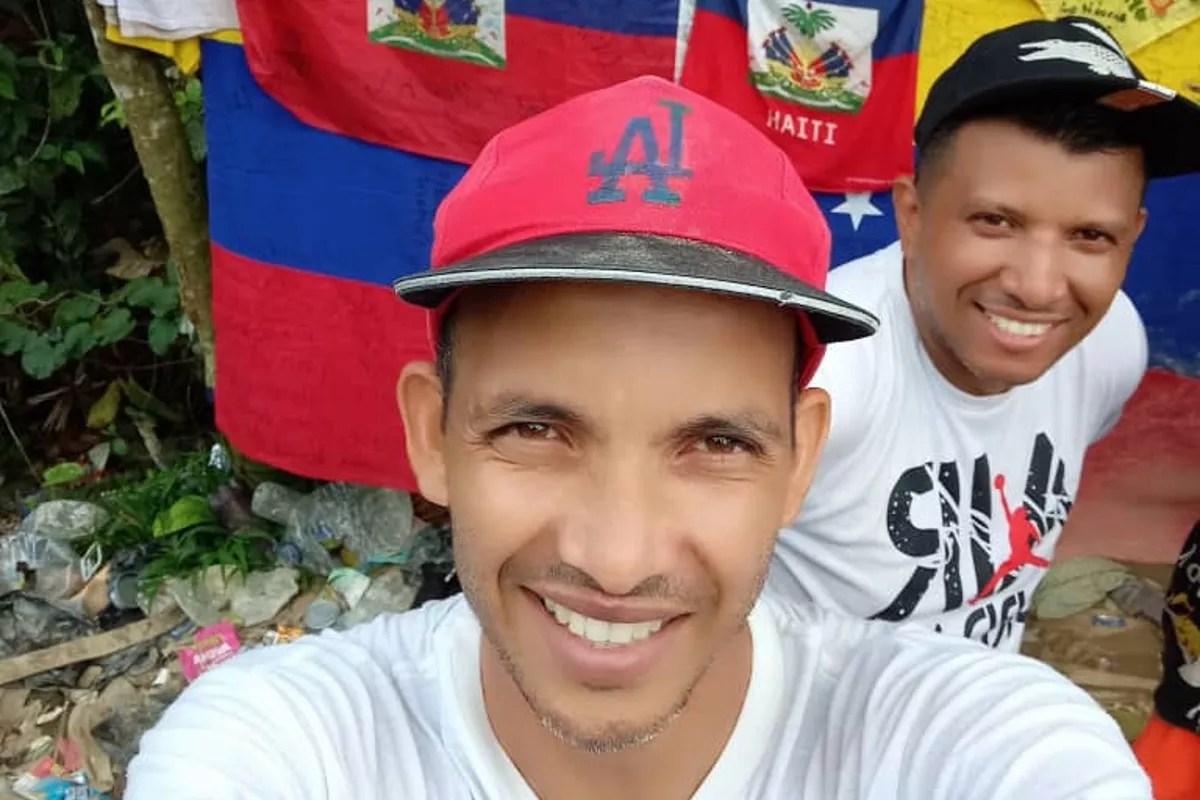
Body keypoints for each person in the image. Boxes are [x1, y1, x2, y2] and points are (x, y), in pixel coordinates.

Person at [125, 77, 1150, 798]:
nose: (615, 558)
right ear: (431, 435)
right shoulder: (287, 745)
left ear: (801, 460)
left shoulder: (964, 738)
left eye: (714, 444)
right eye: (535, 428)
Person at [769, 16, 1200, 651]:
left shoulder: (1111, 344)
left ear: (1132, 237)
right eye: (996, 221)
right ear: (911, 215)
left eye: (1090, 236)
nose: (1040, 287)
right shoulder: (822, 372)